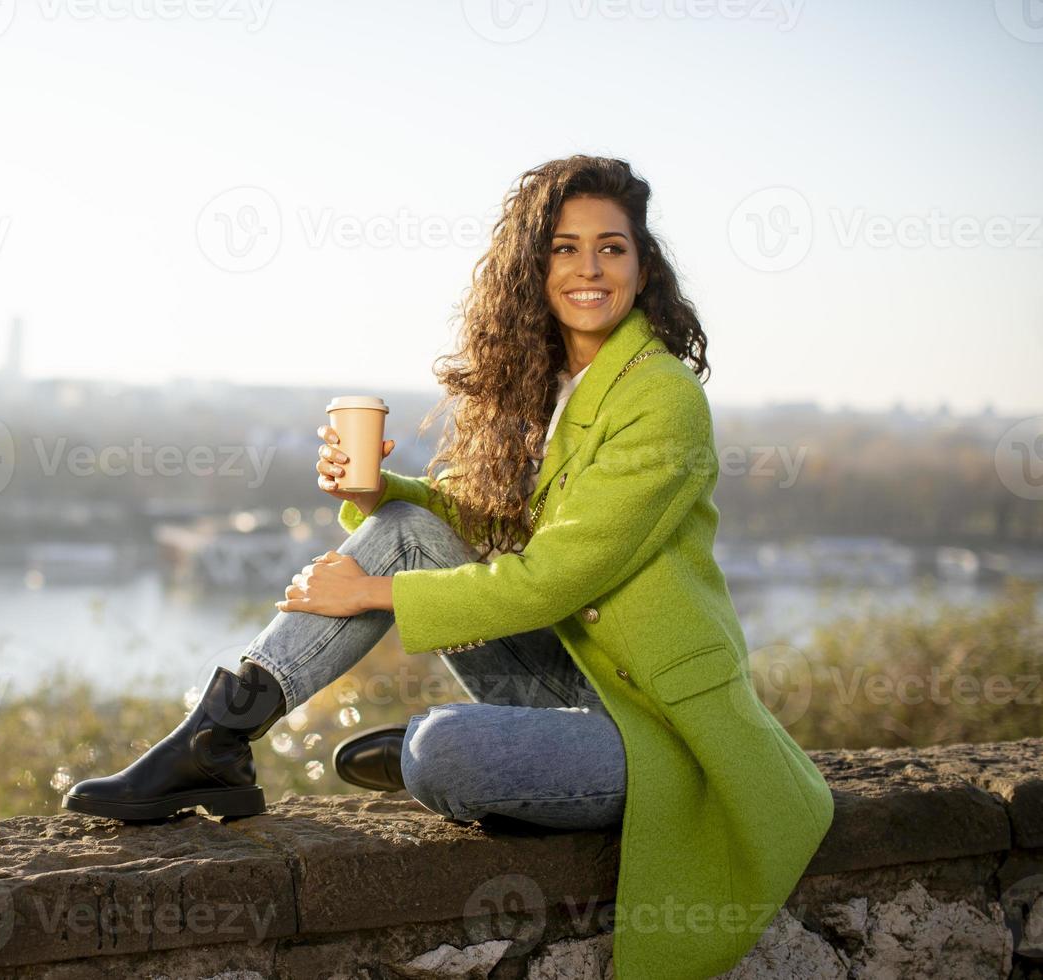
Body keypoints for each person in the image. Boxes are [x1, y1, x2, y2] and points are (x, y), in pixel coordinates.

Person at [65, 155, 834, 979]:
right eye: (565, 248)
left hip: (658, 730)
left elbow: (557, 578)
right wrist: (375, 487)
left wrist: (372, 594)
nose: (588, 269)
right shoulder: (560, 385)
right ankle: (215, 738)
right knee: (402, 523)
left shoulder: (662, 397)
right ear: (533, 268)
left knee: (442, 753)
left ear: (643, 267)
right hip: (577, 679)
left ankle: (443, 755)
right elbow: (494, 530)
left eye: (611, 248)